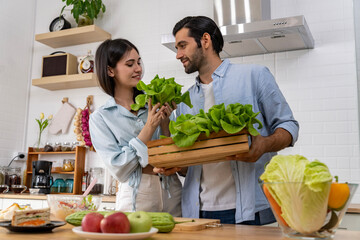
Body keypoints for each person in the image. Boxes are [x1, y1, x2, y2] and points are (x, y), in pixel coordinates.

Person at [155, 16, 299, 224]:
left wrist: (263, 145)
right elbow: (192, 166)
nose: (178, 55)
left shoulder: (254, 76)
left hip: (250, 212)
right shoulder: (185, 100)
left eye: (182, 46)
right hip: (198, 212)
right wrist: (176, 165)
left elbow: (289, 126)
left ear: (205, 40)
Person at [89, 38, 182, 216]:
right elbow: (119, 169)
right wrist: (148, 128)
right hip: (136, 195)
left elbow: (174, 152)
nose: (138, 68)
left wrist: (165, 124)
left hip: (172, 189)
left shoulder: (154, 101)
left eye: (139, 62)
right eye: (130, 64)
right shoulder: (101, 118)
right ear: (110, 70)